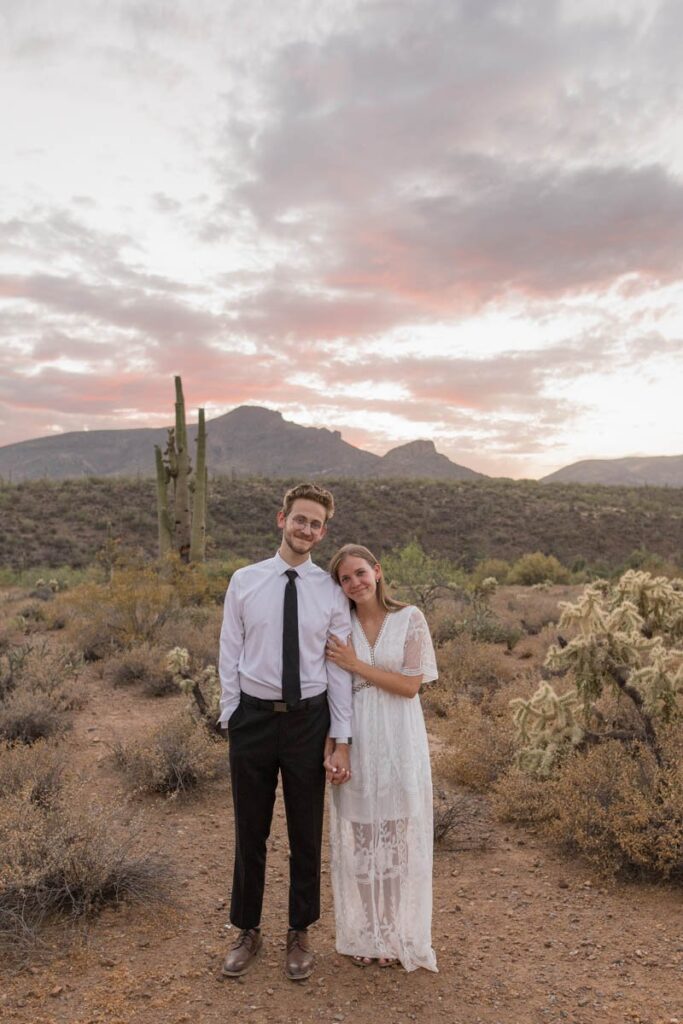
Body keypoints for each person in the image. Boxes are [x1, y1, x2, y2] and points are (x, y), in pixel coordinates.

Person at [218, 483, 353, 982]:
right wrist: (231, 713)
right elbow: (229, 648)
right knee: (250, 830)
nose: (307, 529)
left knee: (305, 830)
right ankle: (247, 929)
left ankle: (300, 930)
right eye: (300, 519)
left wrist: (340, 734)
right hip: (252, 718)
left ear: (324, 531)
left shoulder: (329, 590)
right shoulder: (245, 581)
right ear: (282, 519)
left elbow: (337, 668)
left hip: (307, 720)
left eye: (316, 523)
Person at [325, 543, 438, 973]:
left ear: (377, 571)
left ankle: (391, 929)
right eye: (345, 579)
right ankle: (367, 929)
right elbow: (331, 694)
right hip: (356, 740)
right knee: (361, 842)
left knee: (392, 841)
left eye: (359, 573)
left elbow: (411, 686)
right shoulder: (340, 625)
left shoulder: (410, 619)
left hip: (397, 739)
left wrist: (355, 664)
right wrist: (333, 746)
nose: (355, 583)